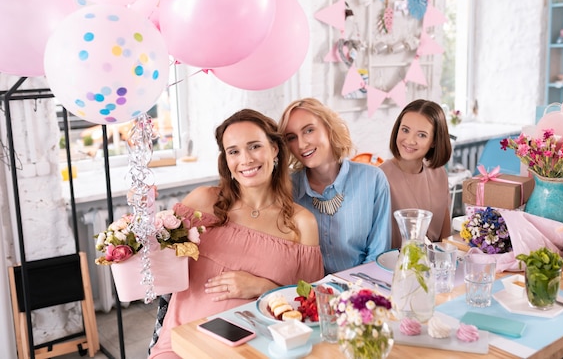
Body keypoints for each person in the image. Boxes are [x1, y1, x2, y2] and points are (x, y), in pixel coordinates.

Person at [149, 109, 324, 358]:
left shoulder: (301, 223)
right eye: (234, 151)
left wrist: (264, 287)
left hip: (259, 350)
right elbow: (159, 263)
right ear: (226, 160)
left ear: (274, 149)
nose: (246, 159)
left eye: (254, 146)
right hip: (181, 347)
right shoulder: (202, 202)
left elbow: (308, 305)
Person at [278, 98, 391, 274]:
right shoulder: (287, 188)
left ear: (329, 128)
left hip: (363, 289)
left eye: (309, 130)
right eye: (292, 138)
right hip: (309, 294)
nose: (301, 144)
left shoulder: (373, 180)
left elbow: (378, 254)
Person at [379, 99, 452, 247]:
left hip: (435, 263)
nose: (410, 141)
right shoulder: (380, 177)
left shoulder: (439, 174)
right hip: (395, 265)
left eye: (421, 135)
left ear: (434, 141)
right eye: (405, 130)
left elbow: (445, 237)